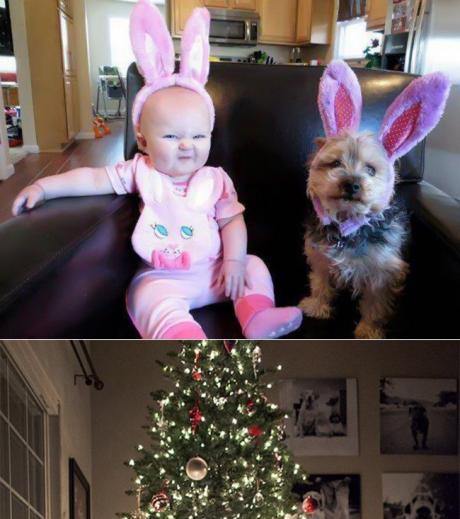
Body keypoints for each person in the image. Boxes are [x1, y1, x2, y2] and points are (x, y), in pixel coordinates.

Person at [13, 5, 302, 344]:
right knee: (144, 295)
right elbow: (92, 178)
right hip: (163, 277)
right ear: (142, 140)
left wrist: (235, 261)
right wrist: (46, 187)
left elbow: (231, 222)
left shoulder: (216, 180)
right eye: (171, 136)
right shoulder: (140, 172)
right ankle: (181, 335)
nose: (186, 146)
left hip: (218, 272)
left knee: (256, 266)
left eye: (198, 136)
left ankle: (256, 315)